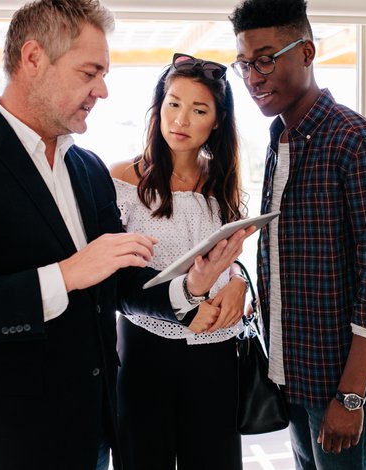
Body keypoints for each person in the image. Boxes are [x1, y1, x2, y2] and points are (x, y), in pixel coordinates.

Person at [0, 1, 251, 469]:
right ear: (33, 59)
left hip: (94, 439)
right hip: (1, 445)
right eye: (90, 72)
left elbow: (121, 283)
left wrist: (192, 287)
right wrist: (65, 275)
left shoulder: (87, 168)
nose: (104, 90)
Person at [228, 1, 366, 469]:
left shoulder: (359, 144)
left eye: (266, 59)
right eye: (244, 63)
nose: (253, 77)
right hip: (293, 375)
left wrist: (350, 398)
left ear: (306, 52)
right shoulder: (279, 142)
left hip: (340, 385)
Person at [108, 53, 247, 470]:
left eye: (198, 110)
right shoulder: (121, 179)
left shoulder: (223, 182)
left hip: (216, 354)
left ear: (217, 121)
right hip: (146, 352)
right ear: (158, 106)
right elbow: (115, 280)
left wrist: (239, 282)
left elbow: (231, 255)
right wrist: (188, 298)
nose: (181, 120)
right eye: (173, 103)